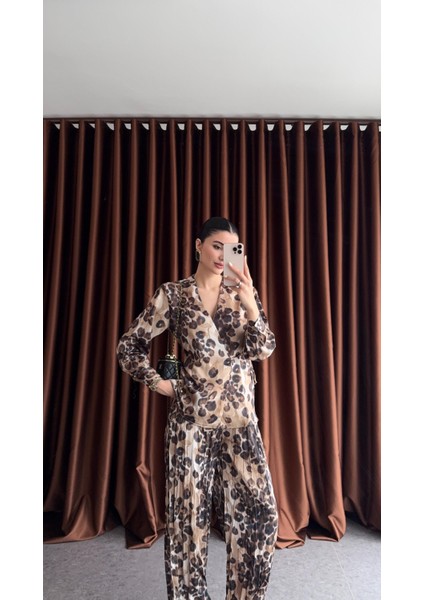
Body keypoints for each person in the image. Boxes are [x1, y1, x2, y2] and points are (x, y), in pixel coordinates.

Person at [116, 217, 278, 600]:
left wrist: (251, 305)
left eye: (232, 248)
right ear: (198, 245)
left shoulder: (243, 293)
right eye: (216, 245)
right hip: (190, 421)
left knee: (260, 516)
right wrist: (159, 383)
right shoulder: (175, 295)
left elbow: (263, 349)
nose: (223, 255)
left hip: (239, 422)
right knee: (187, 524)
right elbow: (129, 346)